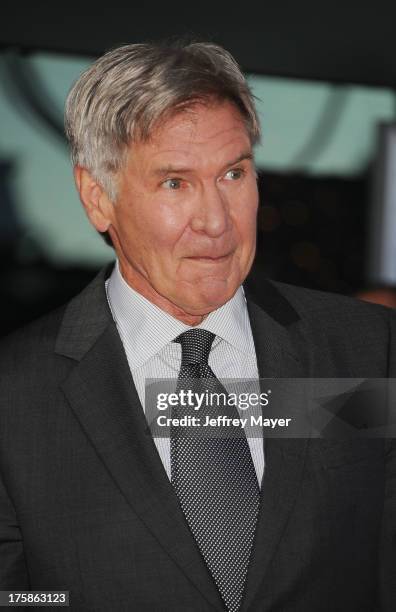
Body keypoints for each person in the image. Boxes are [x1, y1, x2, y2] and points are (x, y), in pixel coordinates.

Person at [0, 40, 395, 612]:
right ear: (96, 199)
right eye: (174, 183)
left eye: (234, 174)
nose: (216, 222)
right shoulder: (14, 394)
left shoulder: (366, 348)